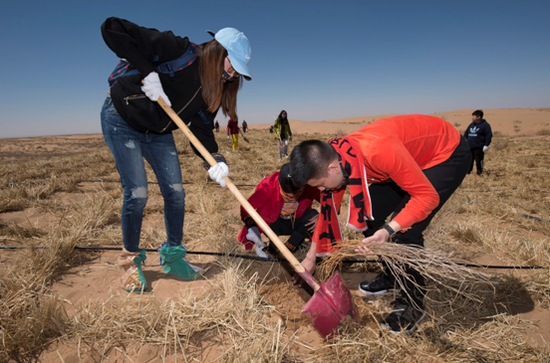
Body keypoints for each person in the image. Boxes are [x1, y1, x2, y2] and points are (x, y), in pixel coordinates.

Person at [100, 17, 252, 292]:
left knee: (176, 193)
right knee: (137, 193)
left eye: (236, 74)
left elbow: (202, 131)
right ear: (218, 50)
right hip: (121, 119)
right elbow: (112, 28)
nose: (230, 76)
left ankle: (173, 256)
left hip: (158, 132)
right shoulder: (180, 51)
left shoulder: (211, 89)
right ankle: (129, 262)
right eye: (231, 67)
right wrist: (148, 73)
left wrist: (215, 160)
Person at [289, 114, 471, 334]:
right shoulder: (338, 157)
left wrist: (389, 229)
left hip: (444, 154)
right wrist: (310, 258)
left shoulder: (378, 152)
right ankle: (394, 275)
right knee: (370, 215)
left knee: (404, 231)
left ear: (333, 169)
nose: (319, 191)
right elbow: (328, 215)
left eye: (318, 185)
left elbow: (427, 197)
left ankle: (413, 302)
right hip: (400, 158)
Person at [238, 163, 320, 258]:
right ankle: (273, 248)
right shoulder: (268, 185)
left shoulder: (310, 185)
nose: (291, 197)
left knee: (313, 215)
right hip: (274, 224)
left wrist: (322, 216)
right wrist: (252, 228)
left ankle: (292, 246)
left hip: (297, 223)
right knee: (262, 214)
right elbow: (246, 207)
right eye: (287, 194)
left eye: (297, 193)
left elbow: (329, 200)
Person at [464, 110, 492, 177]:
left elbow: (488, 135)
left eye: (473, 116)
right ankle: (468, 172)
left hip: (479, 147)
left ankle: (479, 173)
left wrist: (486, 145)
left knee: (479, 160)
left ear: (479, 117)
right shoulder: (471, 124)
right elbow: (466, 133)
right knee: (469, 160)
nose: (472, 117)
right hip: (470, 146)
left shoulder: (485, 125)